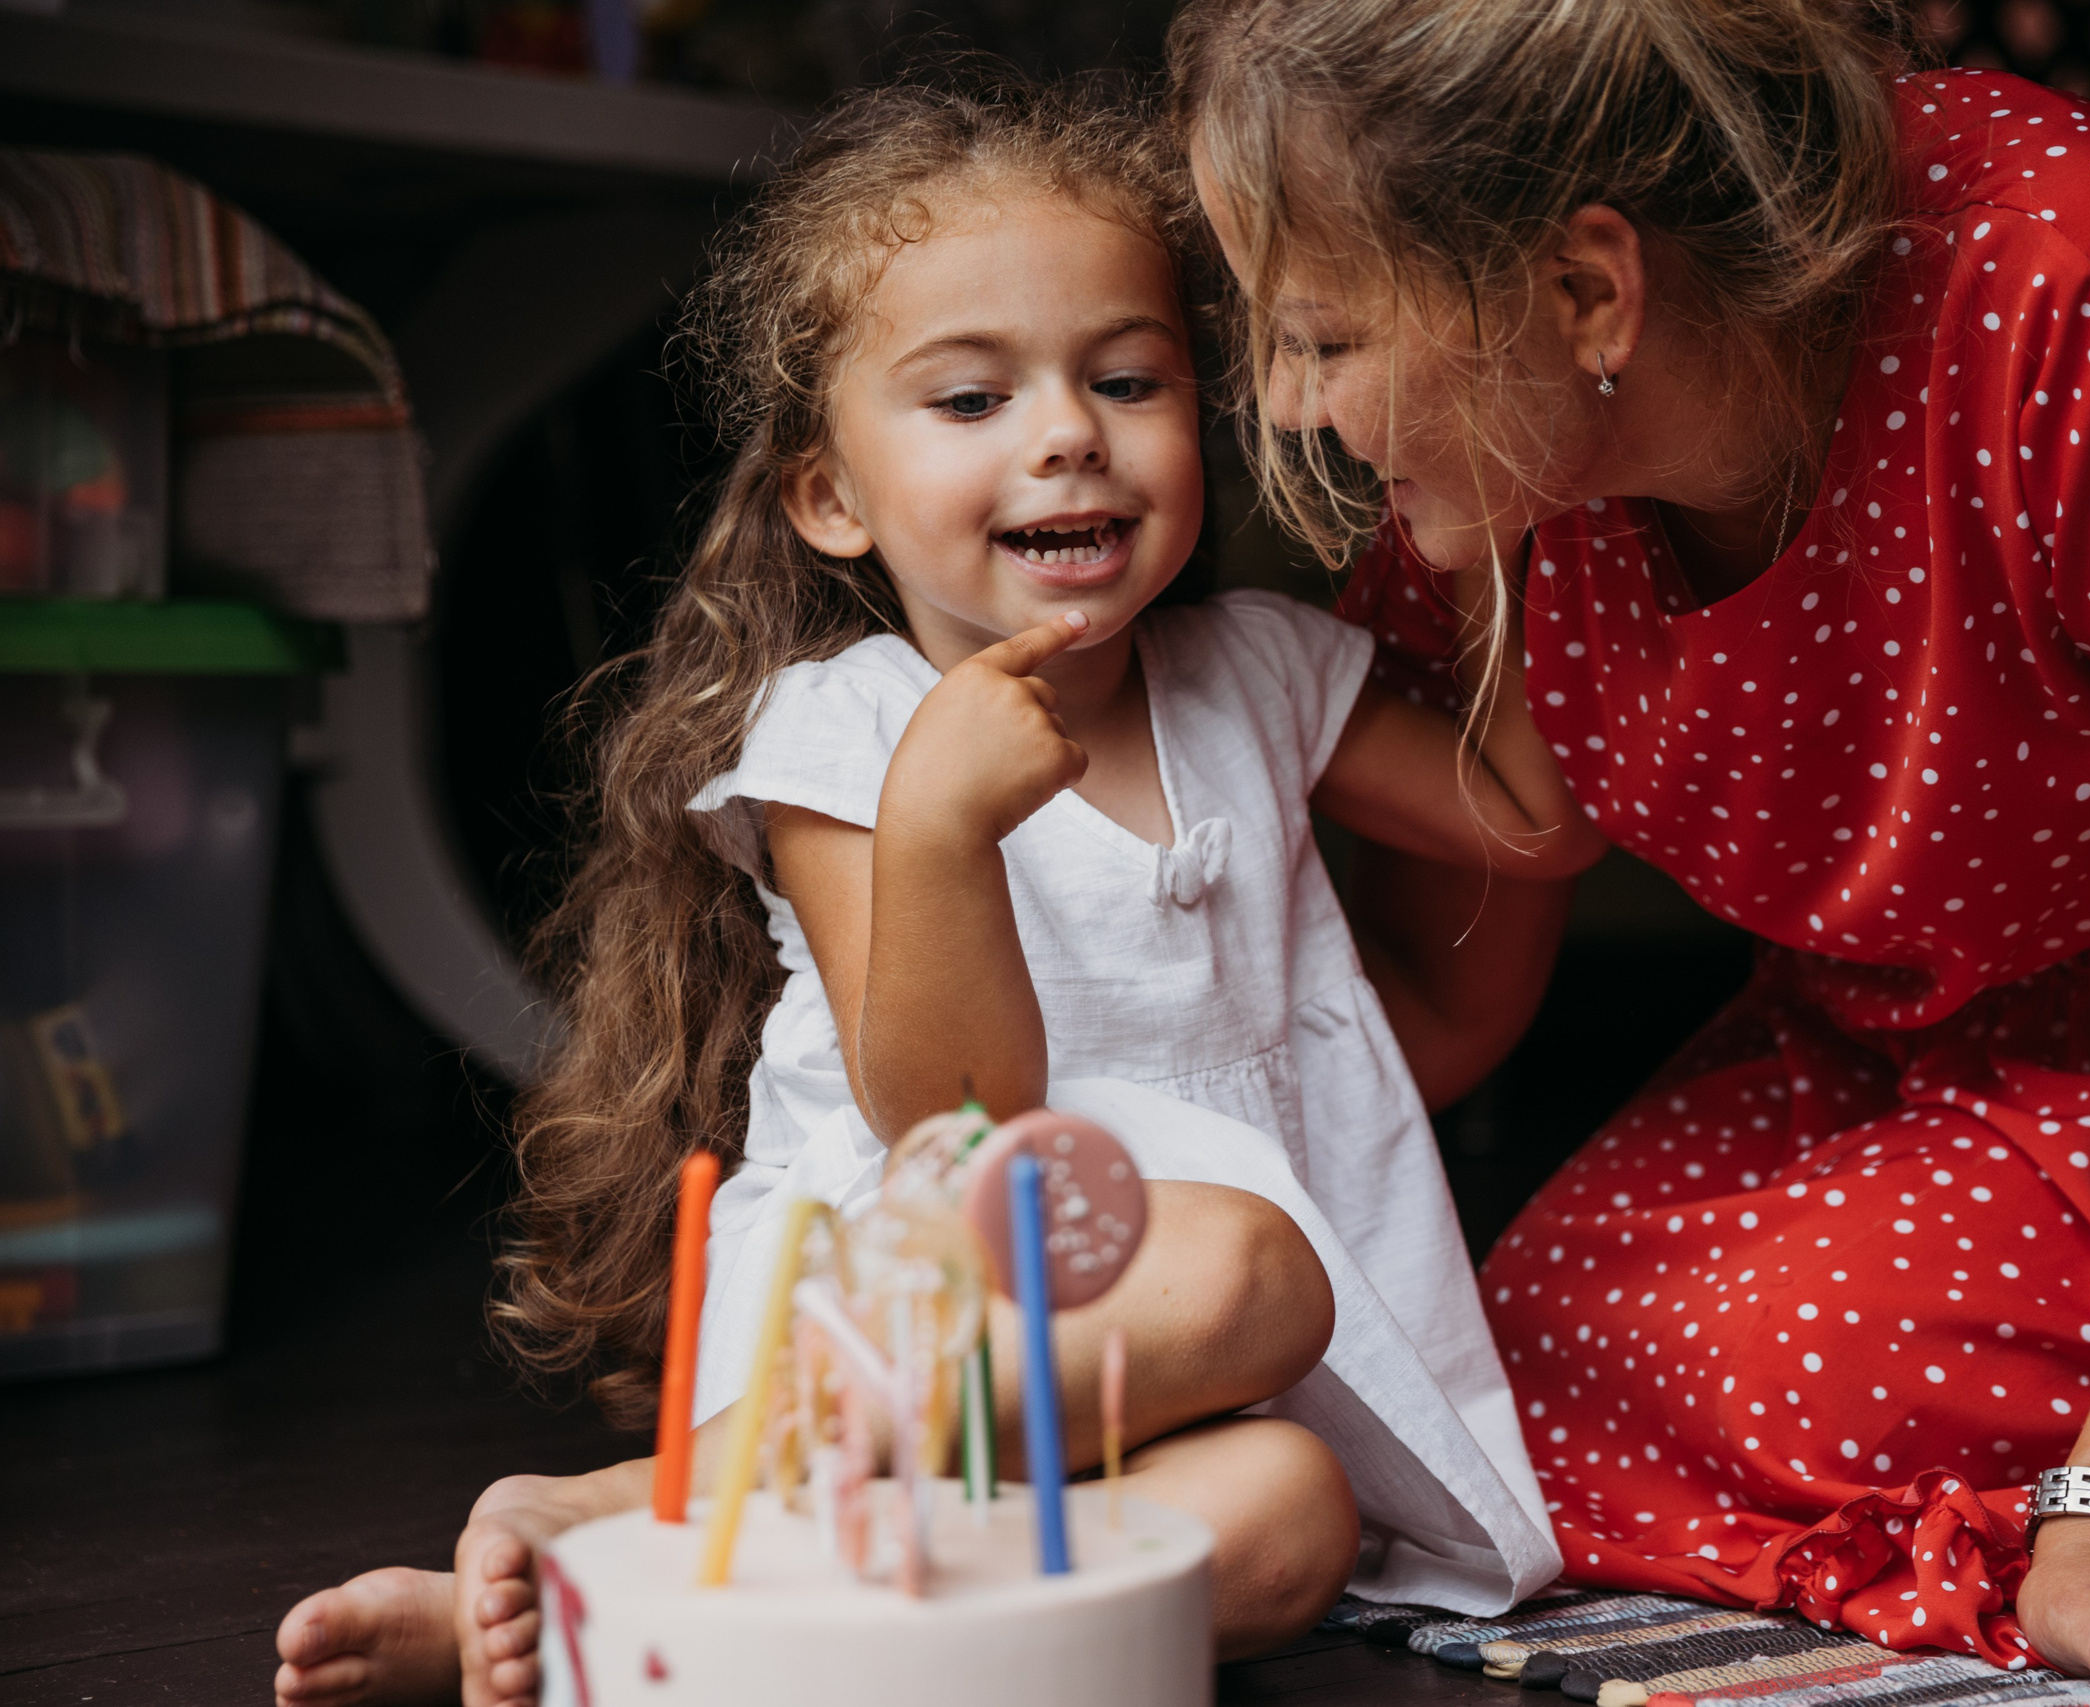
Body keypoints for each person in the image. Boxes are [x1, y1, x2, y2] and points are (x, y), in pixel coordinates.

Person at [1172, 4, 2090, 1707]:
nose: (1297, 412)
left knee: (1763, 1366)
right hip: (1913, 1038)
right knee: (1500, 1384)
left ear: (1591, 291)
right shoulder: (1509, 459)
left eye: (1321, 340)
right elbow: (1433, 1021)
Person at [272, 72, 1599, 1707]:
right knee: (1260, 1269)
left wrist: (1499, 517)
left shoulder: (1256, 673)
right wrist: (942, 832)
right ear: (832, 494)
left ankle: (692, 1631)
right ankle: (624, 1525)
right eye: (969, 401)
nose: (1064, 433)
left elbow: (1535, 820)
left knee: (1287, 1523)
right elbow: (949, 1127)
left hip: (1145, 1381)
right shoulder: (851, 732)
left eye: (1127, 377)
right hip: (929, 1300)